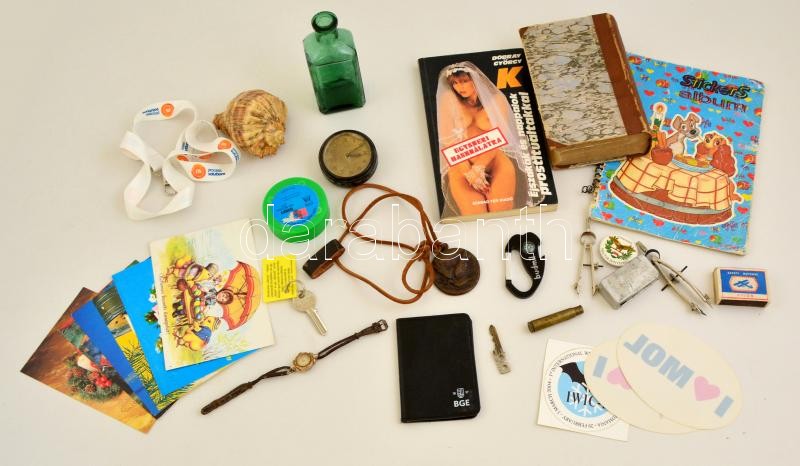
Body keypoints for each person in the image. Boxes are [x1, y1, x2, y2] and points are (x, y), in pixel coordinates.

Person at [436, 62, 535, 215]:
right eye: (454, 83)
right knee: (475, 217)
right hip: (461, 166)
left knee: (502, 215)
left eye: (464, 81)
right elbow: (446, 140)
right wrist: (468, 172)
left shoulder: (496, 99)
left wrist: (478, 167)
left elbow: (501, 136)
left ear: (475, 79)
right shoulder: (449, 100)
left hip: (495, 161)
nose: (459, 87)